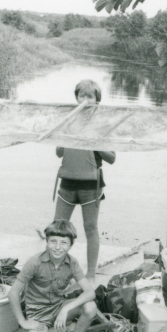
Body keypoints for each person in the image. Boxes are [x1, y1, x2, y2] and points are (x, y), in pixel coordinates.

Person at [7, 219, 97, 332]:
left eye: (63, 243)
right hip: (38, 314)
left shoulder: (72, 263)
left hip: (58, 307)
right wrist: (22, 321)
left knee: (90, 307)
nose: (57, 247)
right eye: (53, 241)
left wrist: (65, 310)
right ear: (46, 242)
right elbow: (13, 293)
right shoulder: (35, 262)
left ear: (70, 245)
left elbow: (90, 292)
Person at [54, 79, 116, 281]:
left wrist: (92, 141)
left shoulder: (102, 124)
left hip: (91, 185)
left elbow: (112, 158)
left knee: (91, 228)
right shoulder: (69, 119)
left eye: (90, 96)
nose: (85, 100)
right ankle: (55, 269)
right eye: (82, 95)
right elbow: (58, 152)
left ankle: (90, 275)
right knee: (58, 228)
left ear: (97, 101)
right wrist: (66, 134)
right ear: (76, 97)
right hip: (67, 183)